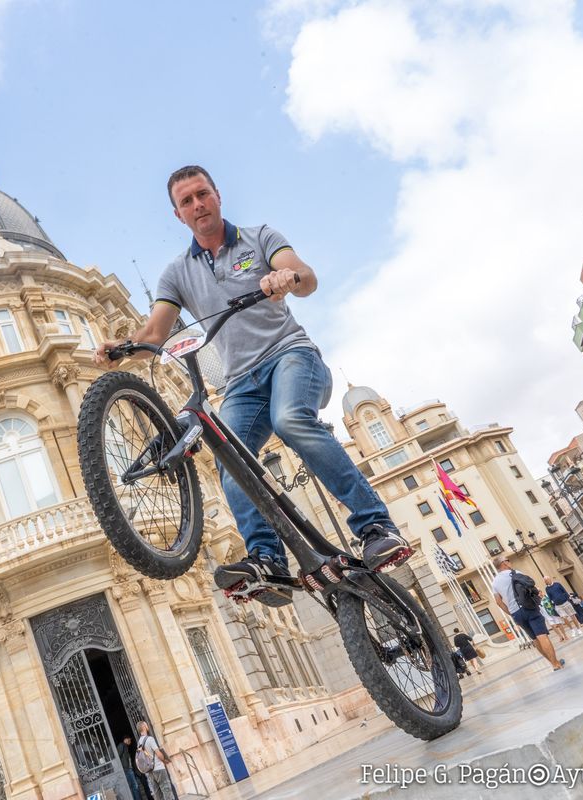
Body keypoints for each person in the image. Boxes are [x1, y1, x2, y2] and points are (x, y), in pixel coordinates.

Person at [94, 165, 410, 606]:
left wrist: (286, 279)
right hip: (243, 383)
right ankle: (268, 560)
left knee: (290, 419)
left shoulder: (260, 237)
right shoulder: (177, 273)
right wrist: (121, 348)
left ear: (218, 196)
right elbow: (154, 336)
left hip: (291, 356)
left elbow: (305, 276)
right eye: (186, 201)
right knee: (231, 456)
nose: (197, 205)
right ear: (177, 214)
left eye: (202, 194)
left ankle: (375, 526)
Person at [491, 556, 565, 671]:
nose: (510, 562)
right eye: (508, 560)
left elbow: (498, 602)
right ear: (504, 564)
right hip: (529, 608)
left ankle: (553, 662)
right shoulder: (516, 573)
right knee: (542, 636)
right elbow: (531, 586)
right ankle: (555, 664)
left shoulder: (494, 582)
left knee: (535, 639)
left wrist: (511, 613)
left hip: (516, 613)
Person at [136, 720, 175, 800]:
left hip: (149, 771)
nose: (147, 726)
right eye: (146, 725)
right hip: (158, 768)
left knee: (157, 794)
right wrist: (165, 760)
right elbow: (159, 754)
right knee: (167, 790)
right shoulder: (150, 739)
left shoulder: (139, 742)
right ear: (143, 726)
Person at [117, 736, 144, 800]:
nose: (130, 742)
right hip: (126, 770)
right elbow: (118, 757)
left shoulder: (125, 747)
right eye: (129, 740)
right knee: (134, 787)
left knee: (134, 787)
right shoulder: (121, 745)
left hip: (128, 769)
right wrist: (124, 767)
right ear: (125, 739)